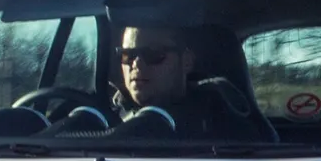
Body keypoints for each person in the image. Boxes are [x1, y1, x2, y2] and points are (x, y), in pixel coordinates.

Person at [106, 24, 272, 141]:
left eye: (154, 53)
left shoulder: (222, 122)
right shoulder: (105, 117)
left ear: (186, 61)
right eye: (127, 55)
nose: (137, 64)